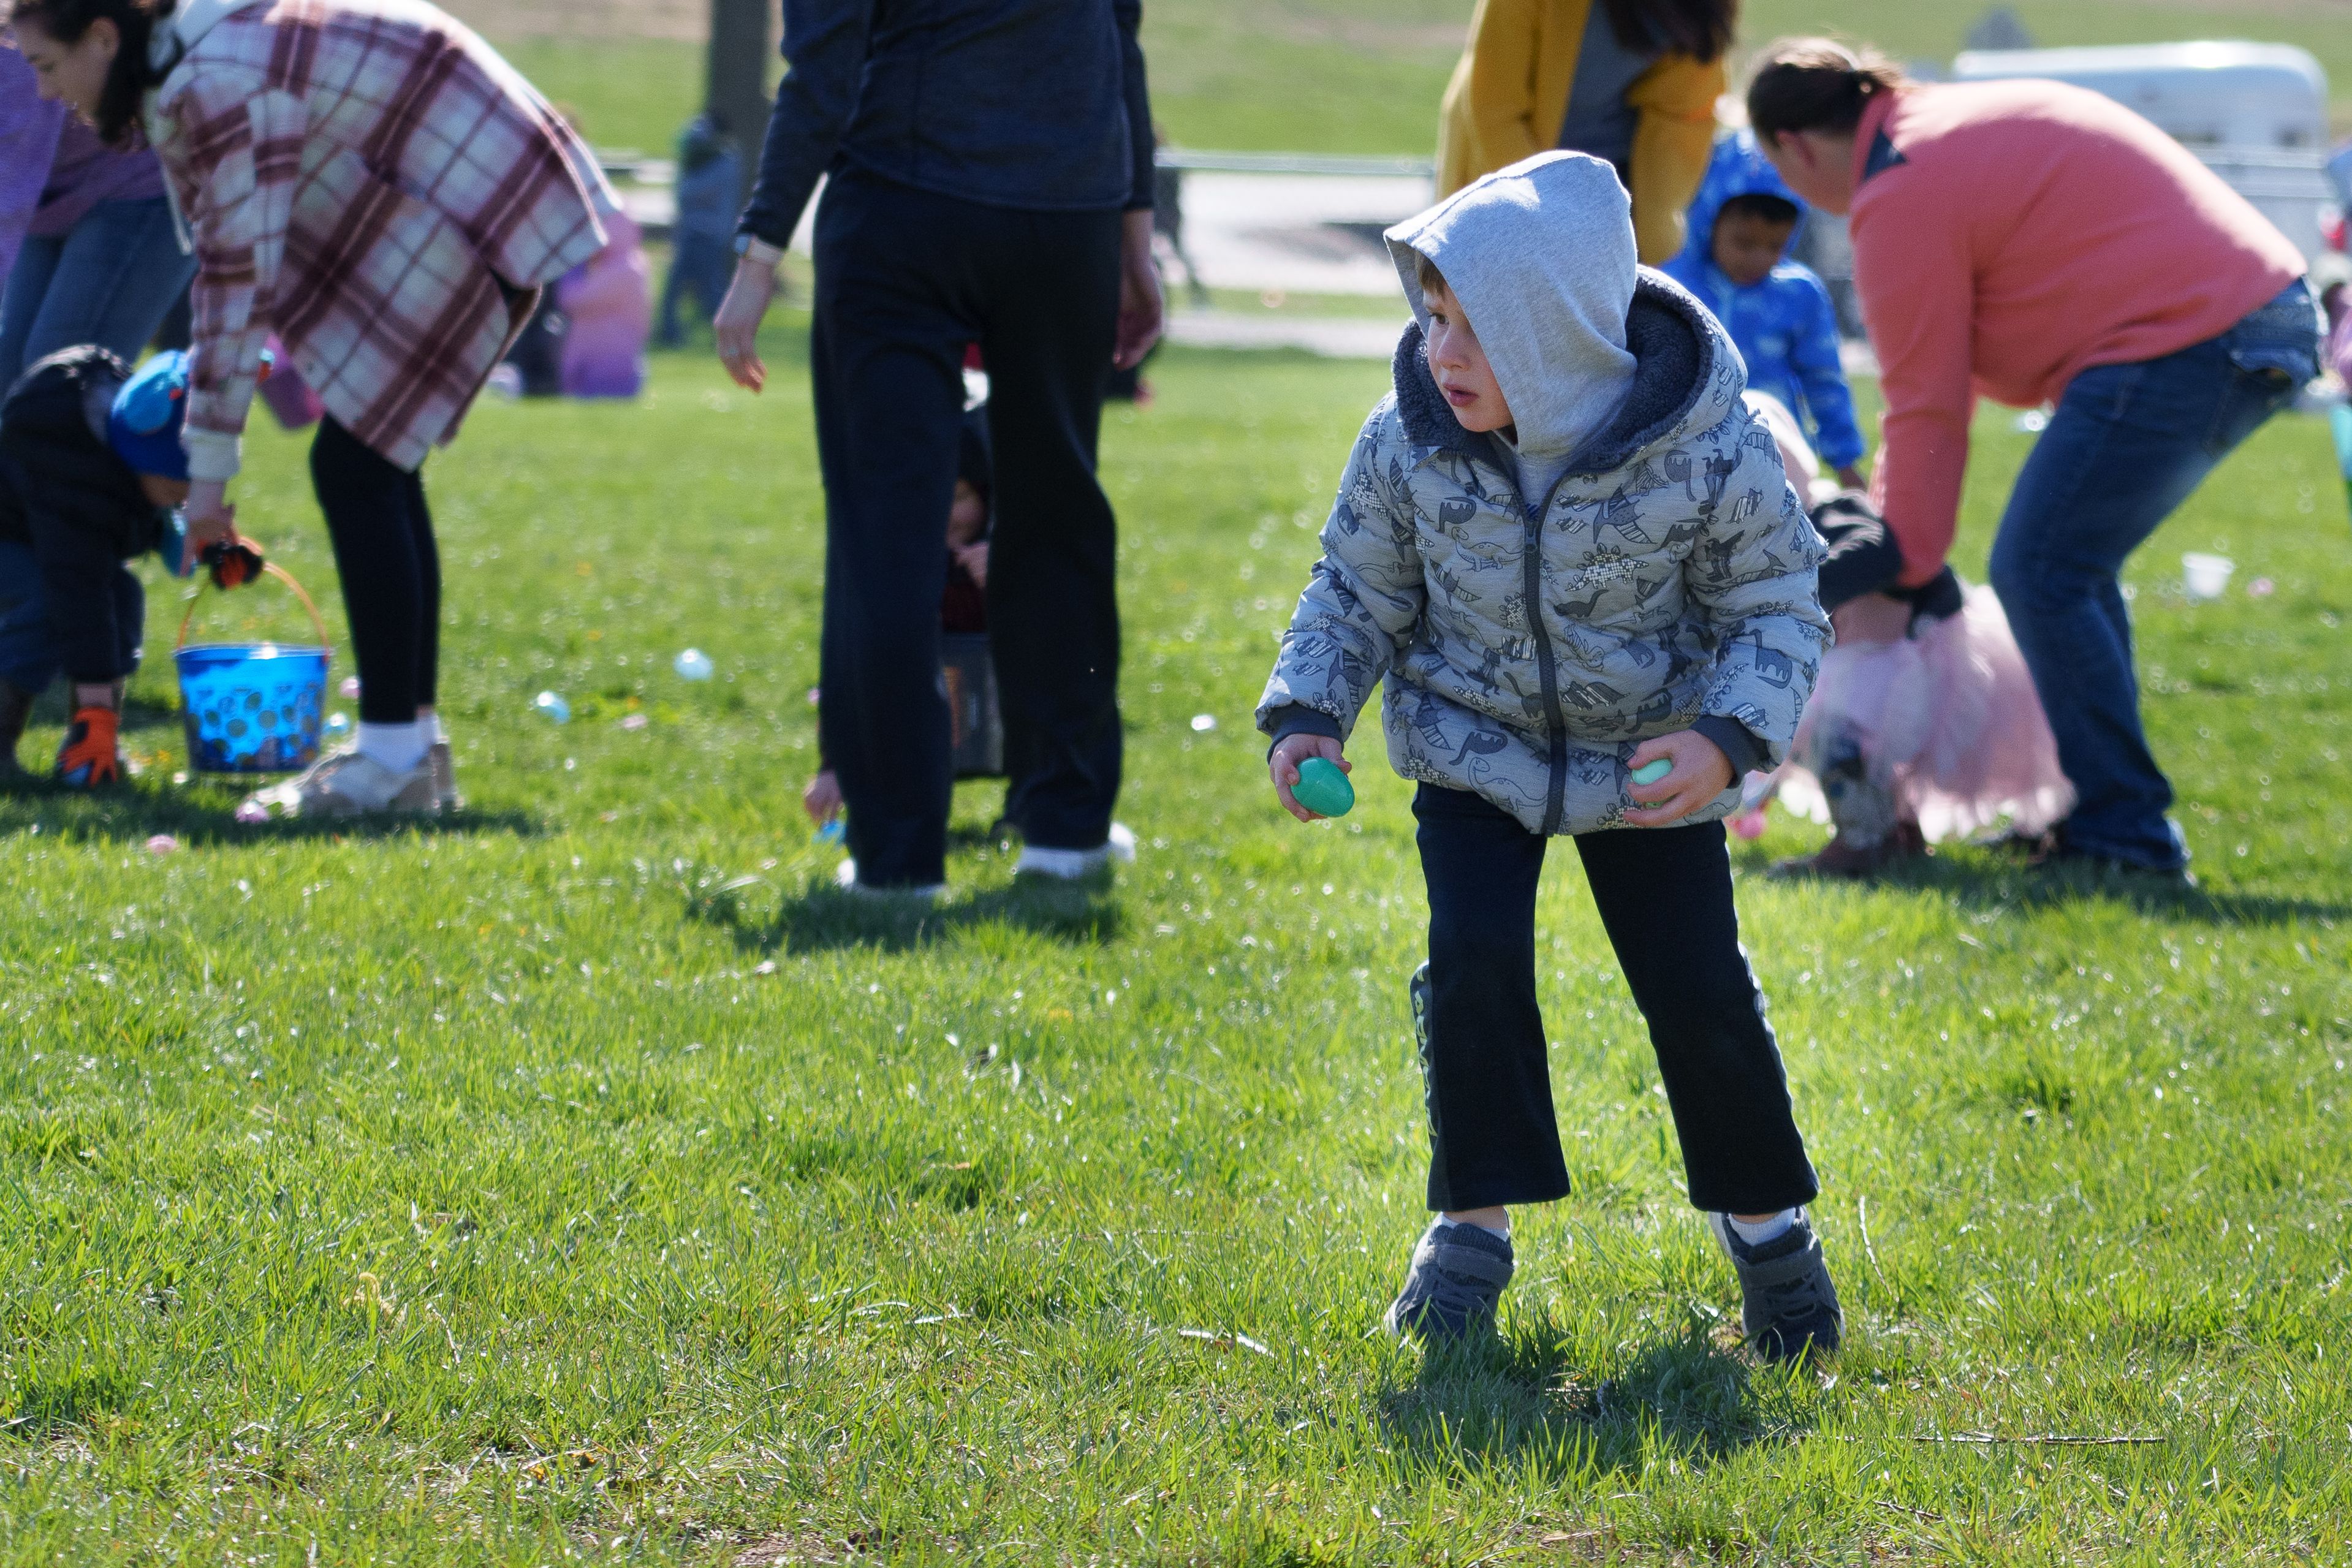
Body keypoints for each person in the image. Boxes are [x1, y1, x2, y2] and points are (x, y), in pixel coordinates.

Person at [1258, 152, 1841, 1360]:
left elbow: (1777, 603)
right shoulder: (1407, 440)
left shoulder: (1701, 445)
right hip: (1473, 752)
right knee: (1469, 965)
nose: (1442, 354)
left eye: (1477, 329)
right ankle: (1468, 1231)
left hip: (1651, 761)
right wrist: (1307, 708)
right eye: (1430, 318)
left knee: (1695, 989)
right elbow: (1353, 590)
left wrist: (1722, 736)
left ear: (1560, 332)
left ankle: (1768, 1234)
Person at [10, 0, 615, 819]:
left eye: (49, 66)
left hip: (478, 183)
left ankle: (393, 757)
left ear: (105, 38)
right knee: (374, 462)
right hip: (470, 177)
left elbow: (235, 280)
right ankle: (412, 749)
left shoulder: (207, 83)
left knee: (359, 464)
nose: (47, 94)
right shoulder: (193, 61)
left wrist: (209, 479)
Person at [1748, 39, 2320, 881]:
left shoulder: (1900, 182)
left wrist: (1899, 556)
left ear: (1793, 146)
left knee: (2043, 569)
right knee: (2064, 569)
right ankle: (2098, 815)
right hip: (2248, 309)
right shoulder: (1936, 127)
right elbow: (1936, 388)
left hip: (2195, 330)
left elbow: (1925, 404)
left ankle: (2122, 834)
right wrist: (1897, 528)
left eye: (1781, 173)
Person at [716, 0, 1163, 897]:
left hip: (901, 206)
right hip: (1065, 207)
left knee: (885, 532)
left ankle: (895, 856)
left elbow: (823, 66)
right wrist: (1134, 239)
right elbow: (1117, 39)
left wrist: (758, 256)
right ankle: (1065, 828)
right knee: (1056, 512)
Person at [1741, 391, 2071, 877]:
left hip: (1917, 652)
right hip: (1877, 658)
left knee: (1835, 735)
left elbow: (1879, 553)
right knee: (1844, 736)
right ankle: (1897, 832)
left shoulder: (1832, 513)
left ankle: (1862, 842)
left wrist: (1798, 586)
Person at [0, 346, 249, 784]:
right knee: (46, 608)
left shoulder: (124, 461)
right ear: (150, 461)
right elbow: (78, 592)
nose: (192, 494)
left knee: (124, 596)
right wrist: (97, 697)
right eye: (186, 483)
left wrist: (214, 550)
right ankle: (54, 732)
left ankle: (91, 748)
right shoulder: (75, 474)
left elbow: (159, 522)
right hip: (11, 541)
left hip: (44, 545)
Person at [805, 408, 995, 829]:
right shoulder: (895, 567)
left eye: (961, 497)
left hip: (997, 715)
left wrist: (1005, 582)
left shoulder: (998, 556)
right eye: (934, 497)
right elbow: (854, 669)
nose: (947, 513)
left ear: (985, 496)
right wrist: (833, 767)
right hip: (923, 712)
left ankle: (1032, 808)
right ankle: (887, 807)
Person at [1436, 0, 1736, 263]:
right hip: (1509, 175)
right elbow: (1495, 113)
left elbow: (1681, 117)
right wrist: (1546, 219)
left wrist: (1646, 238)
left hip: (1617, 183)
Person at [1662, 128, 1865, 490]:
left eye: (1775, 245)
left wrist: (1846, 462)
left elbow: (1825, 380)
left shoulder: (1798, 294)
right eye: (1744, 243)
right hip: (1683, 465)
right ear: (1708, 221)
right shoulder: (1672, 288)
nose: (1760, 258)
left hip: (1775, 460)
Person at [0, 44, 194, 387]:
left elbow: (10, 196)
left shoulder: (14, 48)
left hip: (140, 185)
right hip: (48, 203)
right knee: (10, 375)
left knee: (56, 384)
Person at [656, 111, 740, 347]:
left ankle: (728, 337)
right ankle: (670, 334)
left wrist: (689, 165)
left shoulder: (727, 161)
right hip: (692, 234)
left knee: (712, 293)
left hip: (709, 236)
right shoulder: (699, 160)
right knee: (675, 291)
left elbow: (687, 193)